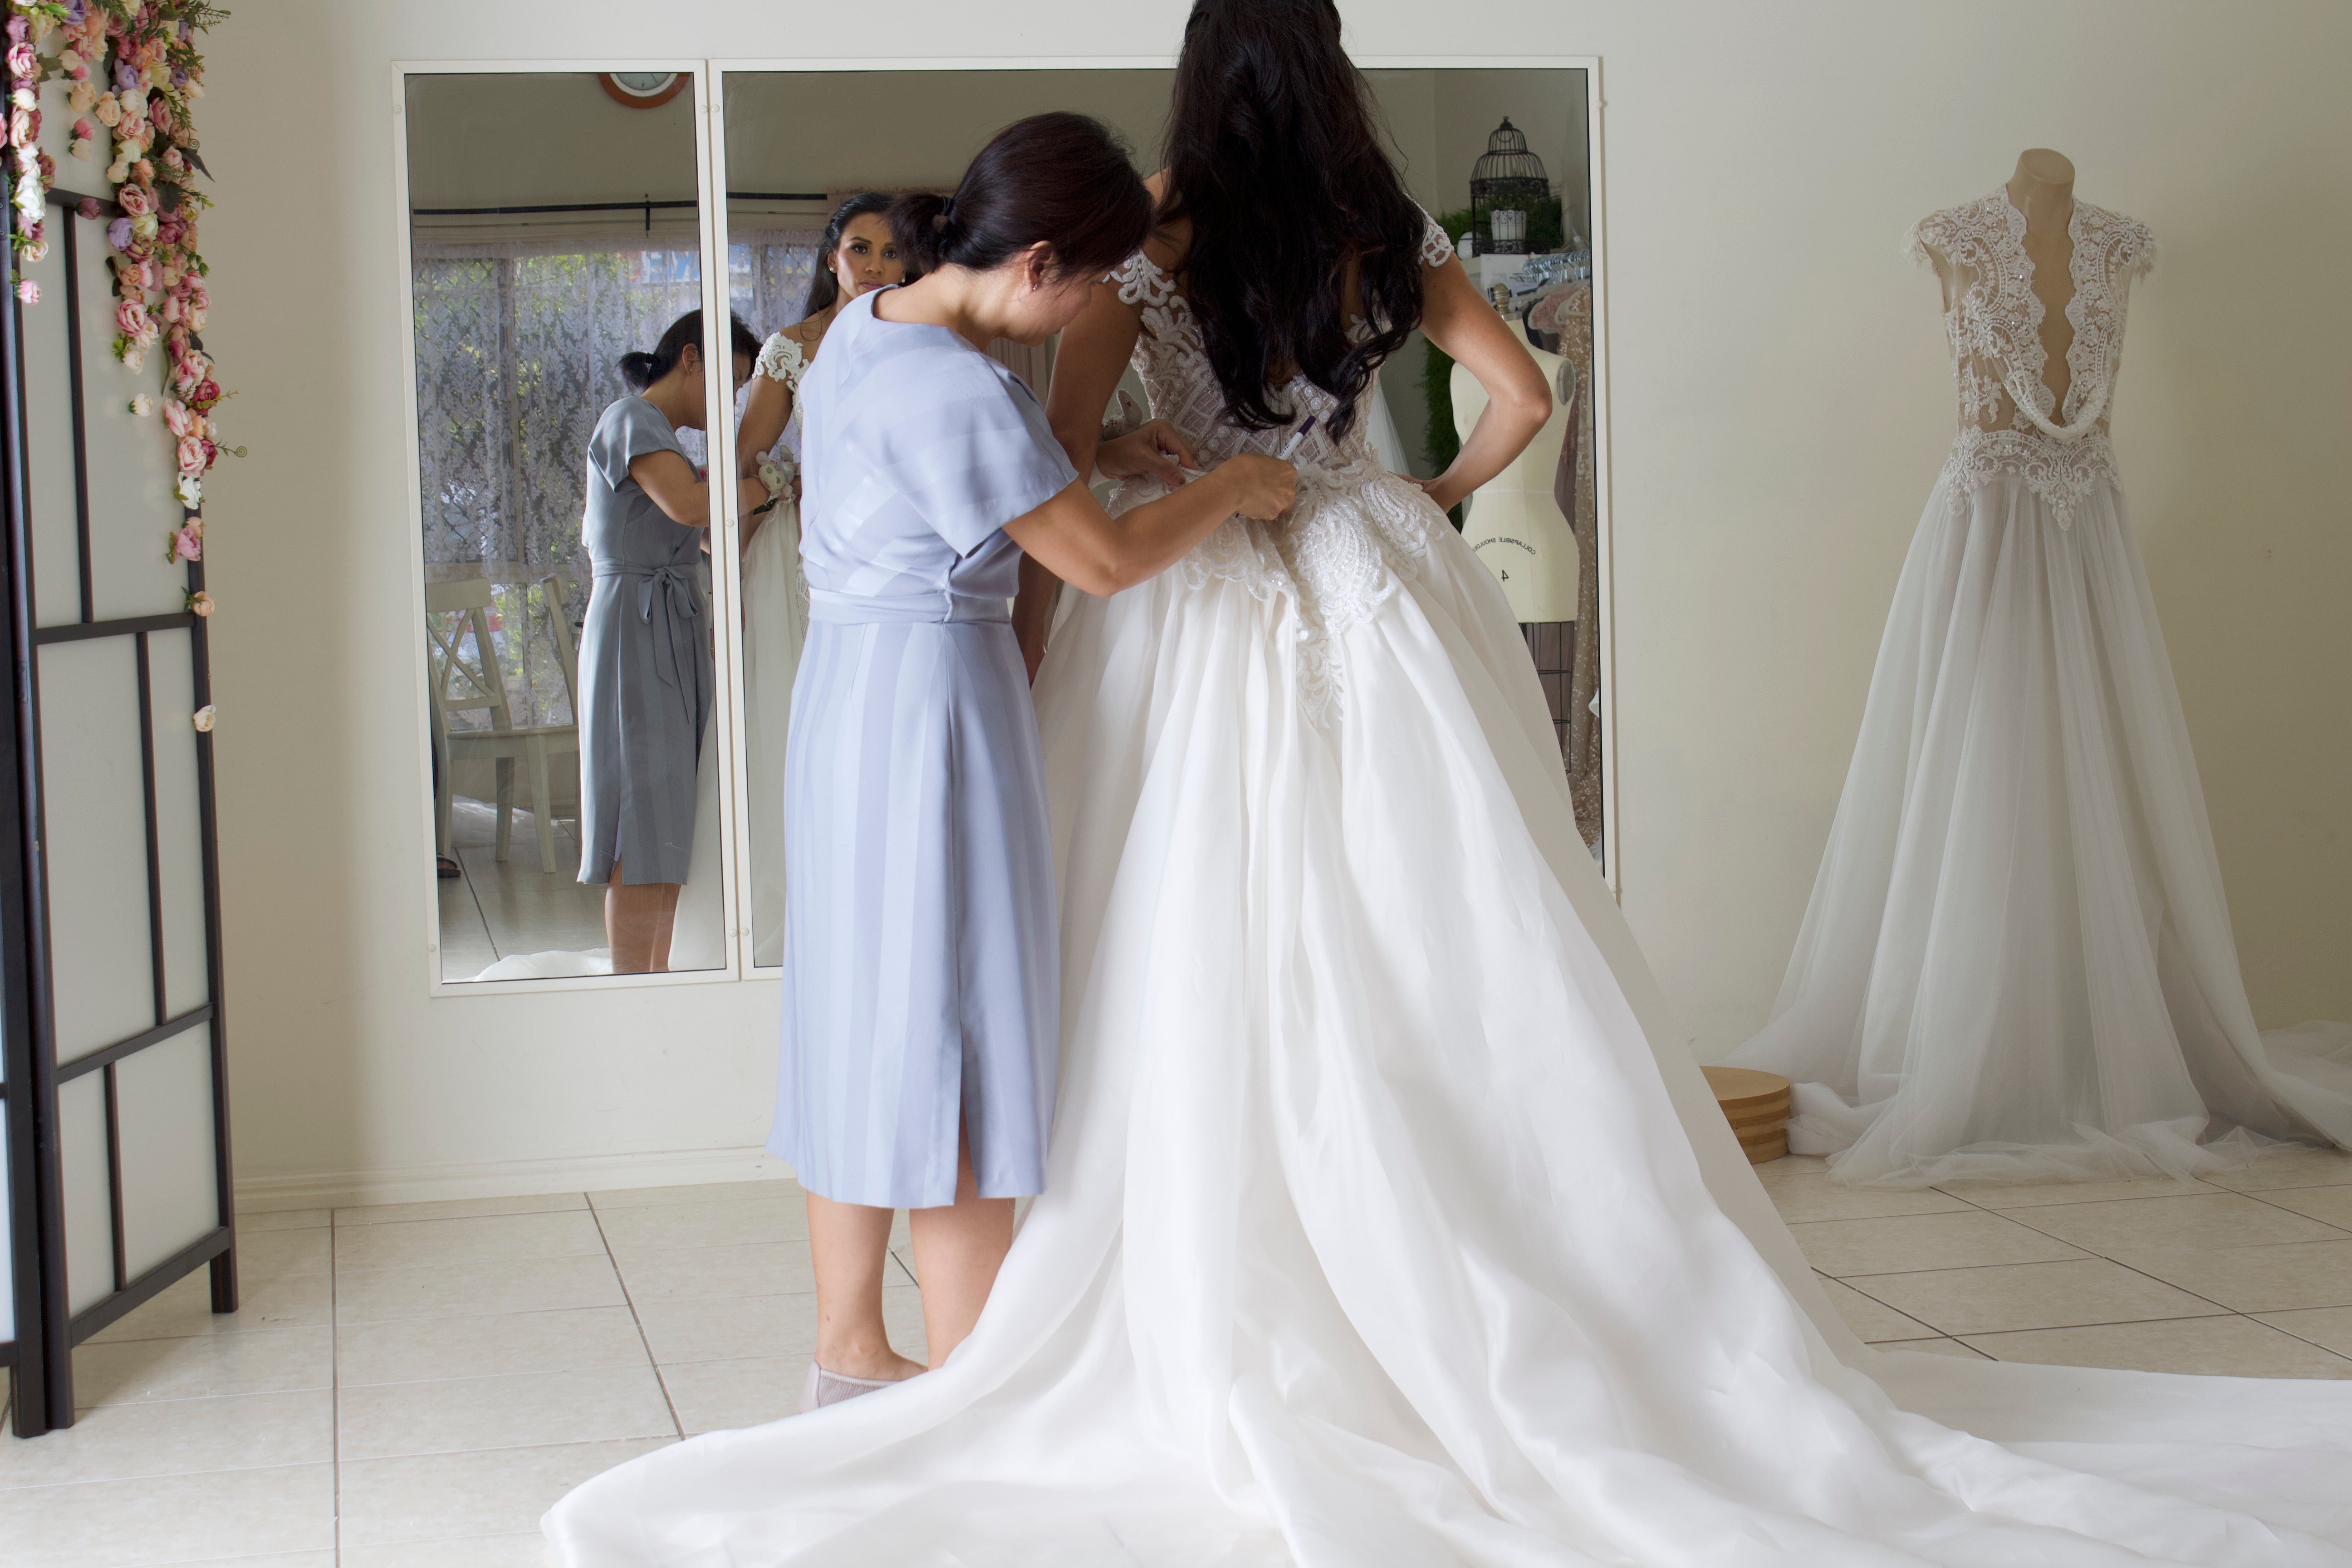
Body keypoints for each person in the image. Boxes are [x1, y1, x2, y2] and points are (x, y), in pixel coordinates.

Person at [549, 6, 2352, 1560]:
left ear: (1197, 91)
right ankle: (1500, 1271)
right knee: (1441, 940)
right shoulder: (1383, 227)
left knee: (1175, 933)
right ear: (1332, 75)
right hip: (1367, 583)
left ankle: (1050, 1301)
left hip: (1196, 597)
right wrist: (1397, 496)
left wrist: (1114, 511)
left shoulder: (1148, 248)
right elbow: (1520, 404)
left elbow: (1056, 484)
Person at [758, 115, 1290, 1412]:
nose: (1103, 304)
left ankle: (847, 1348)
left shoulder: (871, 327)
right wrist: (1231, 490)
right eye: (1098, 278)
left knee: (857, 1016)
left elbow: (917, 482)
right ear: (1039, 259)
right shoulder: (958, 385)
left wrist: (1095, 452)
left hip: (844, 698)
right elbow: (1101, 566)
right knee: (951, 1034)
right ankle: (968, 1391)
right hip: (933, 707)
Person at [669, 194, 909, 971]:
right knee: (793, 728)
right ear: (831, 256)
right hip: (801, 558)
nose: (876, 266)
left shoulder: (921, 336)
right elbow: (743, 460)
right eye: (861, 249)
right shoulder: (791, 348)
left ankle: (874, 916)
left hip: (893, 555)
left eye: (892, 252)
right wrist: (735, 553)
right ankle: (789, 917)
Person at [574, 309, 766, 973]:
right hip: (636, 623)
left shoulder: (665, 438)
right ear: (691, 358)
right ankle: (635, 984)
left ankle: (654, 977)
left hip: (670, 618)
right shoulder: (632, 419)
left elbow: (701, 532)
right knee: (642, 813)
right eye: (731, 381)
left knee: (668, 816)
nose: (733, 400)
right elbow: (688, 509)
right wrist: (766, 484)